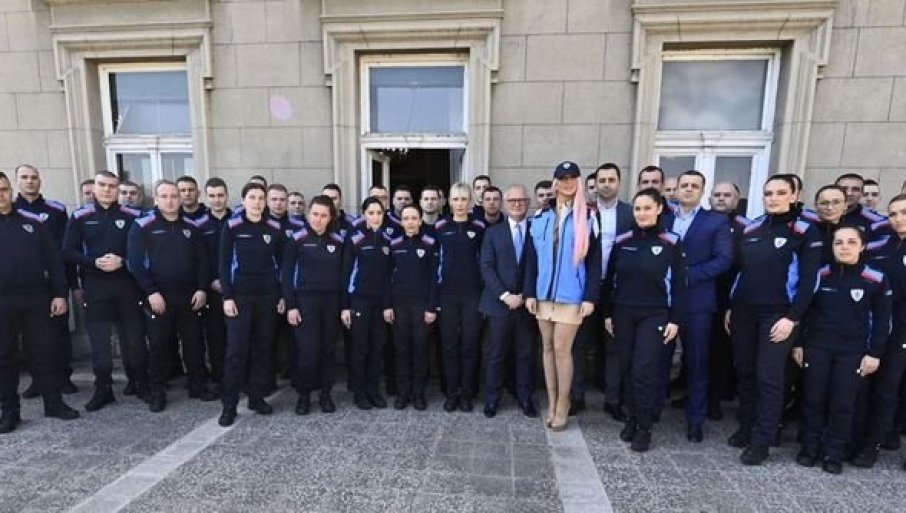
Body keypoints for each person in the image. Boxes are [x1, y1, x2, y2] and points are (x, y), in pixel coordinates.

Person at [725, 175, 822, 465]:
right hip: (744, 312)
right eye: (768, 193)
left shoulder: (806, 231)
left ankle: (763, 439)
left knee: (769, 376)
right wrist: (731, 305)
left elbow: (810, 281)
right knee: (745, 371)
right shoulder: (752, 227)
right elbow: (741, 271)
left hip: (777, 315)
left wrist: (792, 318)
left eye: (780, 193)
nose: (773, 198)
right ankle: (746, 426)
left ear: (793, 196)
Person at [793, 225, 891, 474]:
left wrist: (874, 353)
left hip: (852, 352)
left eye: (851, 242)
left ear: (863, 246)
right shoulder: (820, 274)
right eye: (839, 242)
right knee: (813, 399)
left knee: (843, 404)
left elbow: (882, 320)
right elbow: (803, 312)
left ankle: (833, 453)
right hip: (817, 348)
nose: (844, 247)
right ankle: (809, 449)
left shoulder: (876, 279)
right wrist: (799, 343)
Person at [603, 187, 684, 451]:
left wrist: (675, 319)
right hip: (624, 313)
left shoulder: (671, 241)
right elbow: (611, 280)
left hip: (655, 314)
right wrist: (608, 313)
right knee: (627, 368)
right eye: (637, 208)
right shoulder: (622, 241)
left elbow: (680, 283)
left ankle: (645, 427)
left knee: (644, 370)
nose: (641, 213)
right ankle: (632, 419)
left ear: (659, 209)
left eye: (647, 208)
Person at [127, 180, 216, 412]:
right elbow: (135, 263)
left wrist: (201, 289)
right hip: (159, 297)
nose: (170, 200)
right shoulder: (143, 225)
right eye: (164, 196)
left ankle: (197, 385)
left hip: (189, 296)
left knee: (194, 343)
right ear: (156, 200)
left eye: (174, 196)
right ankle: (157, 391)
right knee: (159, 345)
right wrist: (151, 292)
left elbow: (203, 261)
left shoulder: (191, 226)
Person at [0, 171, 79, 433]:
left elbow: (54, 260)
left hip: (36, 298)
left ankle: (53, 403)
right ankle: (9, 411)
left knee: (45, 352)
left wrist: (60, 293)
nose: (1, 195)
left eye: (4, 189)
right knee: (4, 357)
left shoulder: (33, 222)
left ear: (11, 190)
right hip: (3, 302)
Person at [524, 161, 601, 431]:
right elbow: (531, 260)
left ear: (578, 182)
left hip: (571, 295)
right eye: (562, 178)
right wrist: (529, 292)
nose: (567, 183)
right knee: (546, 347)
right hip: (543, 294)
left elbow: (595, 261)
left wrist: (590, 297)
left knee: (561, 349)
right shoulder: (540, 216)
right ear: (555, 183)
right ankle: (552, 399)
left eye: (572, 178)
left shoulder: (589, 216)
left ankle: (564, 403)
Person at [64, 170, 148, 412]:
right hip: (96, 286)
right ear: (95, 188)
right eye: (103, 185)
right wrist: (94, 262)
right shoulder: (80, 216)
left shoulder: (134, 216)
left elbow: (145, 249)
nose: (107, 190)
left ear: (117, 189)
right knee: (100, 341)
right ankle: (103, 389)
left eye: (112, 186)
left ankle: (140, 383)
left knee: (134, 338)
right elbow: (68, 251)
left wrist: (123, 261)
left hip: (127, 286)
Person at [662, 170, 733, 443]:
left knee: (697, 361)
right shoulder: (664, 219)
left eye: (694, 186)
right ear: (677, 189)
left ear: (702, 191)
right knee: (658, 358)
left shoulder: (715, 221)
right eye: (684, 185)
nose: (688, 189)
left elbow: (724, 259)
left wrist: (688, 275)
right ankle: (652, 411)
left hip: (698, 301)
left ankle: (695, 420)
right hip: (664, 301)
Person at [217, 182, 285, 426]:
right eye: (252, 197)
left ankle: (256, 397)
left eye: (260, 198)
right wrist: (227, 297)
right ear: (244, 200)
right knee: (236, 351)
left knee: (262, 350)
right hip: (240, 299)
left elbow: (282, 265)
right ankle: (229, 405)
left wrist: (282, 296)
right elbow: (224, 264)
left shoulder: (274, 228)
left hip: (267, 298)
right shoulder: (232, 226)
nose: (257, 202)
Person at [572, 163, 632, 420]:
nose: (606, 184)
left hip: (617, 287)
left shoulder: (630, 213)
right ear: (594, 185)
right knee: (579, 345)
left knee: (614, 345)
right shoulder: (583, 213)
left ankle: (613, 400)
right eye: (602, 180)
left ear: (619, 182)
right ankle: (576, 397)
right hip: (586, 286)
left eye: (611, 180)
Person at [851, 193, 906, 468]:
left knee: (887, 390)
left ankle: (873, 445)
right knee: (863, 387)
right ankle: (859, 440)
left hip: (901, 333)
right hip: (873, 328)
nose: (898, 219)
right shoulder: (878, 247)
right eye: (893, 213)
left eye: (904, 212)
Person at [14, 164, 79, 396]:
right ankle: (38, 380)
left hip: (54, 281)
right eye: (24, 177)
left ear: (40, 181)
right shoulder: (11, 211)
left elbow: (66, 248)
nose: (30, 181)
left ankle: (64, 377)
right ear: (17, 181)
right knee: (31, 336)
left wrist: (72, 285)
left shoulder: (56, 210)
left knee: (59, 332)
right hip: (25, 285)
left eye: (34, 177)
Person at [282, 195, 346, 415]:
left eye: (323, 216)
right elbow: (287, 274)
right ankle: (304, 395)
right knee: (308, 352)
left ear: (330, 218)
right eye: (315, 214)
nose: (318, 219)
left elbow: (344, 275)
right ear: (308, 214)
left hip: (331, 303)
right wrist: (291, 305)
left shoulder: (338, 241)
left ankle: (325, 394)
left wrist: (343, 306)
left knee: (328, 351)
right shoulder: (296, 239)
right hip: (305, 303)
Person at [480, 185, 537, 418]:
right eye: (512, 200)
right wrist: (505, 295)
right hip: (498, 305)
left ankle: (525, 398)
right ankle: (492, 400)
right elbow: (486, 267)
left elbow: (540, 267)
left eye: (521, 200)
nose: (517, 204)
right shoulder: (493, 233)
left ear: (528, 202)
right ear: (505, 204)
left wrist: (525, 295)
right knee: (496, 354)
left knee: (525, 354)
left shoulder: (537, 230)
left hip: (527, 305)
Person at [435, 182, 486, 412]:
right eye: (456, 199)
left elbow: (484, 262)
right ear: (449, 201)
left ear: (470, 201)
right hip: (447, 294)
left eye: (464, 199)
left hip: (472, 295)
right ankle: (451, 393)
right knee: (449, 346)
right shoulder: (440, 227)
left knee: (469, 345)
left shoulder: (479, 227)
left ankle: (467, 393)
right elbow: (434, 263)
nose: (460, 204)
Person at [384, 204, 439, 410]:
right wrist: (387, 305)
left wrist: (431, 307)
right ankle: (403, 393)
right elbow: (386, 278)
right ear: (401, 221)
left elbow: (434, 278)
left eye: (414, 218)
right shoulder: (394, 244)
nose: (410, 222)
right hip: (399, 307)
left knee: (420, 351)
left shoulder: (429, 243)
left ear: (420, 220)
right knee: (401, 351)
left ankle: (418, 394)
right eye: (406, 218)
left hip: (422, 307)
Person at [343, 197, 392, 410]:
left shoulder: (388, 240)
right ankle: (359, 392)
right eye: (371, 213)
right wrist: (345, 306)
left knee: (377, 348)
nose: (375, 217)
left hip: (379, 303)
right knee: (360, 348)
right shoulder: (355, 239)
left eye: (379, 213)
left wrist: (388, 304)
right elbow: (345, 273)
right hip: (359, 301)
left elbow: (389, 276)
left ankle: (373, 390)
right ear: (364, 215)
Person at [708, 182, 742, 420]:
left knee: (722, 351)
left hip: (730, 296)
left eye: (726, 195)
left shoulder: (745, 228)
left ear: (736, 200)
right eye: (717, 195)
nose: (721, 199)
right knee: (701, 349)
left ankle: (715, 399)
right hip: (704, 292)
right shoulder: (704, 222)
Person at [198, 178, 232, 389]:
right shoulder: (199, 225)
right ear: (206, 197)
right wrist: (210, 281)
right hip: (211, 289)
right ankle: (220, 378)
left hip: (235, 289)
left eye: (220, 195)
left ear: (227, 196)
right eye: (212, 196)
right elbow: (199, 258)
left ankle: (238, 377)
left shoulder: (237, 222)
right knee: (215, 336)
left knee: (237, 337)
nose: (217, 200)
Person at [811, 185, 848, 264]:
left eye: (836, 202)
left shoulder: (853, 233)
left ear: (845, 206)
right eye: (824, 203)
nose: (829, 208)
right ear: (815, 206)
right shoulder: (804, 233)